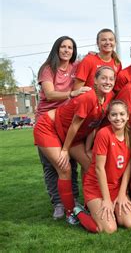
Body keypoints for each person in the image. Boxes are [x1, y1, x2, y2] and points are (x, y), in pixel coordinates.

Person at [33, 66, 116, 224]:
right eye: (104, 78)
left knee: (90, 164)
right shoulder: (89, 97)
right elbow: (75, 125)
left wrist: (87, 149)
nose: (108, 81)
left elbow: (93, 124)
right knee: (65, 168)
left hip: (70, 134)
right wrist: (65, 150)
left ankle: (89, 204)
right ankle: (71, 212)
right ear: (95, 81)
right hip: (49, 128)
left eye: (111, 78)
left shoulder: (108, 97)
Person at [36, 36, 90, 220]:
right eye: (63, 47)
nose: (66, 50)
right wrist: (71, 93)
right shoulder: (47, 68)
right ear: (56, 49)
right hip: (47, 121)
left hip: (66, 121)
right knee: (53, 166)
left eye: (70, 47)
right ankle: (58, 203)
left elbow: (89, 69)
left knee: (70, 164)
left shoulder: (76, 67)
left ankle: (73, 200)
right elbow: (50, 94)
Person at [73, 100, 131, 233]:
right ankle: (79, 211)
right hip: (96, 186)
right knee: (109, 229)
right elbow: (99, 168)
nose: (118, 118)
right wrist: (107, 200)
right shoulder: (104, 134)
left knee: (130, 223)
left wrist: (122, 194)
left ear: (127, 116)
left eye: (121, 114)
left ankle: (110, 212)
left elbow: (128, 169)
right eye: (114, 115)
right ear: (108, 117)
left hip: (116, 186)